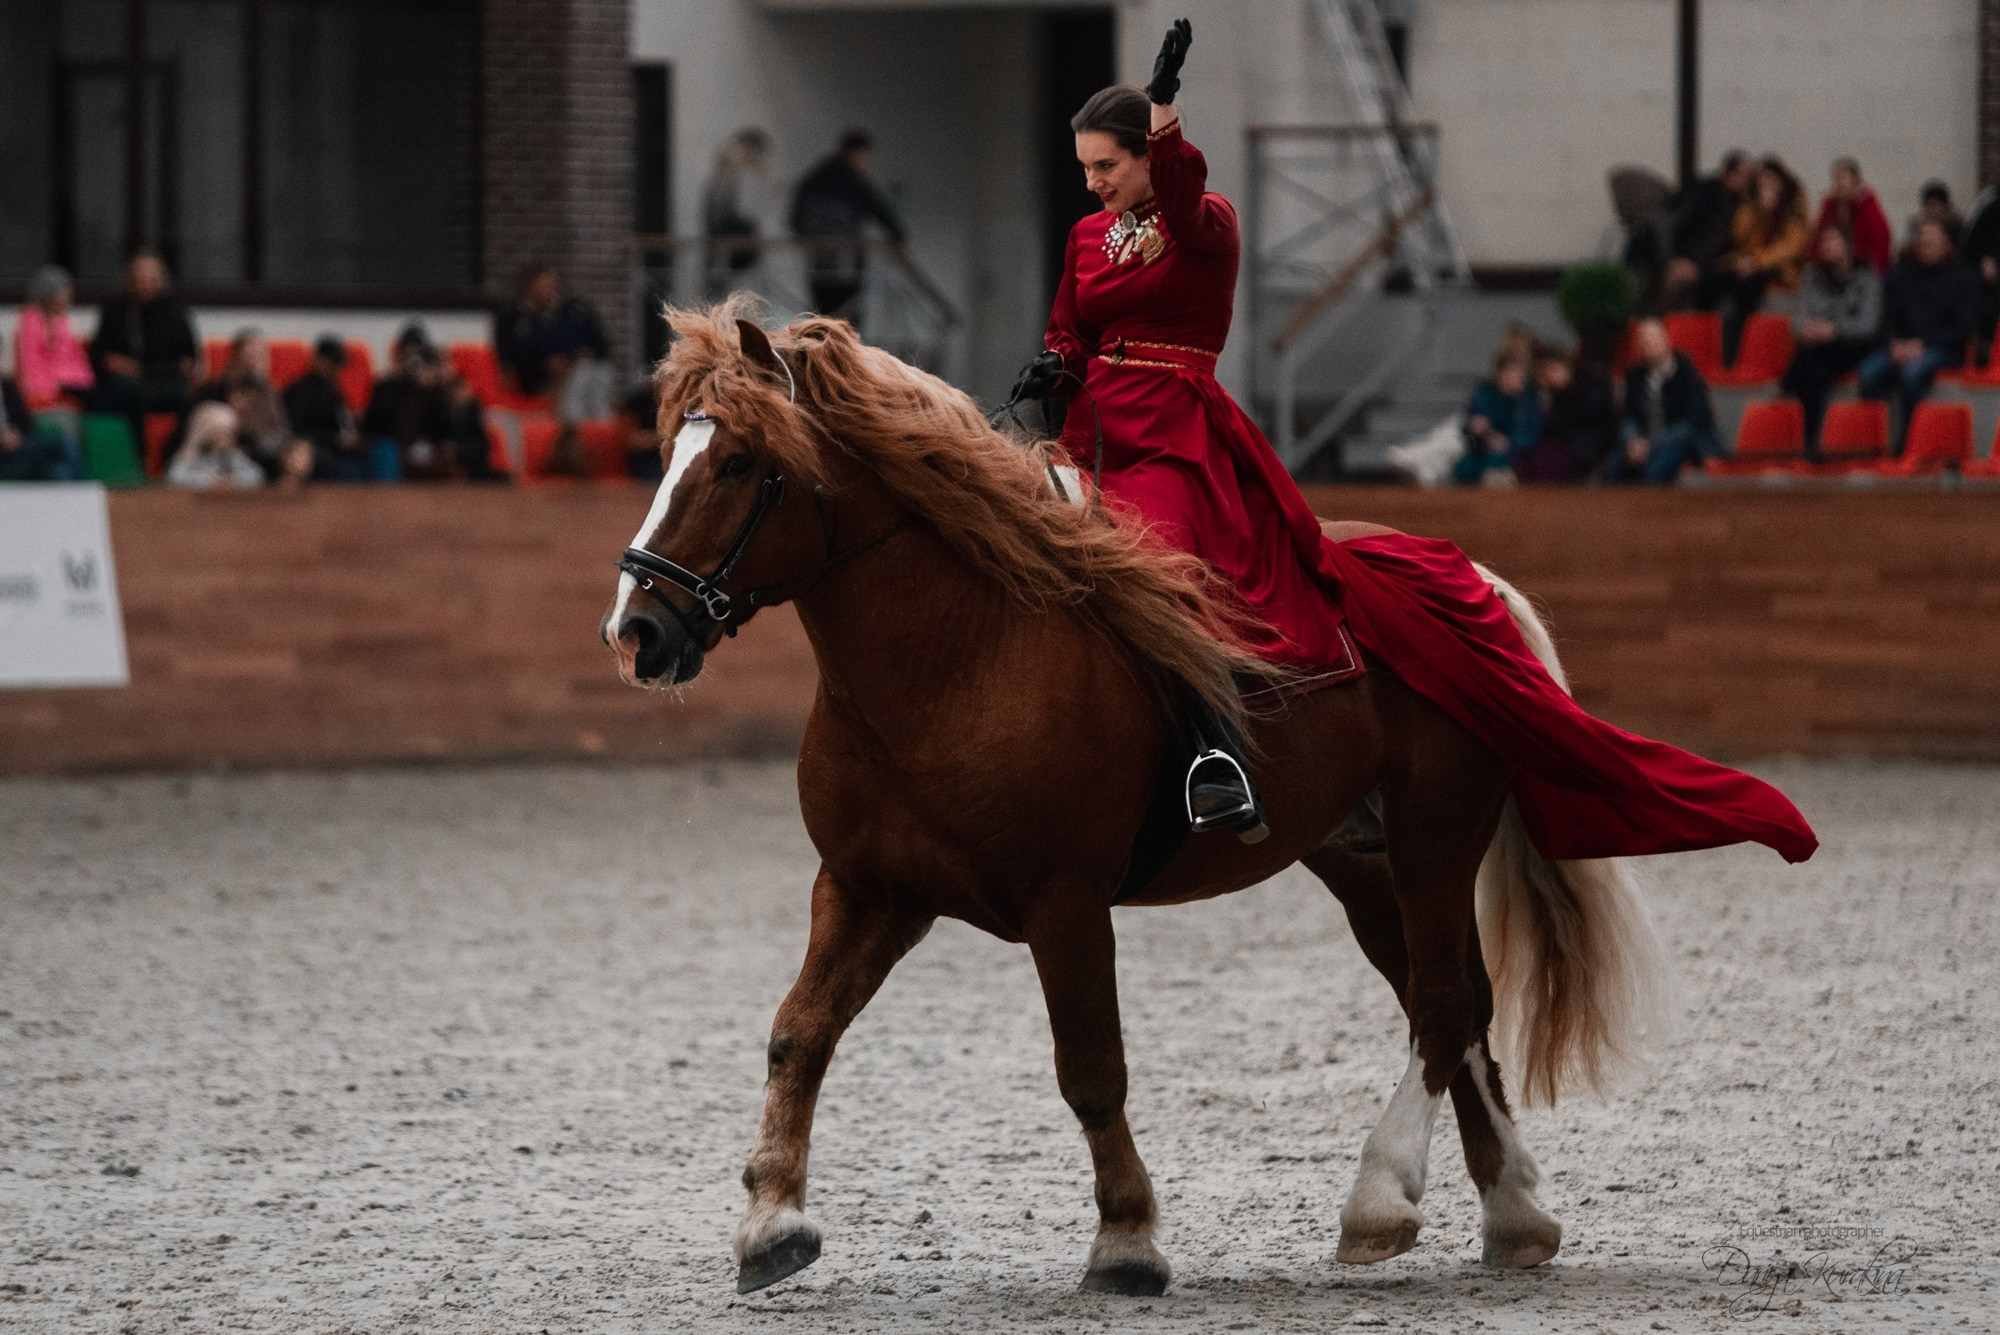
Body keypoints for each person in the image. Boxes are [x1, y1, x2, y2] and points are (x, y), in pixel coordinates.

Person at [1016, 21, 1813, 863]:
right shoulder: (1084, 240)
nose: (1095, 183)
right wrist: (1053, 369)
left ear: (1147, 154)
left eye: (1108, 165)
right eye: (1086, 170)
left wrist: (1168, 106)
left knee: (1167, 572)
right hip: (1094, 430)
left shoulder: (1203, 222)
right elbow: (1070, 328)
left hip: (1179, 439)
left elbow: (1180, 194)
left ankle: (1215, 752)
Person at [1859, 218, 1976, 441]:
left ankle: (1909, 440)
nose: (1926, 245)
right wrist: (1893, 343)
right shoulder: (1901, 275)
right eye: (1922, 241)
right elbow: (1887, 317)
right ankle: (1874, 441)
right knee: (1868, 373)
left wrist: (1921, 345)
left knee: (1912, 373)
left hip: (1945, 349)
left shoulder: (1964, 278)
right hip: (1903, 347)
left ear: (1946, 243)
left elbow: (1964, 328)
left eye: (1932, 240)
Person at [1778, 227, 1883, 456]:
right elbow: (1797, 318)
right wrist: (1808, 329)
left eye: (1833, 241)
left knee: (1808, 361)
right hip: (1817, 346)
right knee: (1813, 362)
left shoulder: (1867, 275)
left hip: (1852, 345)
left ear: (1848, 246)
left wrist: (1834, 329)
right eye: (1824, 242)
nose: (1827, 247)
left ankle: (1790, 392)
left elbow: (1868, 326)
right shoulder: (1811, 274)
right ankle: (1810, 442)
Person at [790, 127, 908, 319]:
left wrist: (802, 235)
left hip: (820, 257)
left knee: (823, 313)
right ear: (857, 153)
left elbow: (797, 215)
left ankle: (824, 344)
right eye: (865, 158)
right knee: (846, 316)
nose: (866, 164)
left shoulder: (816, 178)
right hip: (846, 260)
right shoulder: (854, 182)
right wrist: (899, 237)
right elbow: (879, 209)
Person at [87, 250, 199, 442]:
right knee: (129, 393)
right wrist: (120, 366)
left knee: (188, 398)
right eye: (140, 278)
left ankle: (174, 455)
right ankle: (139, 458)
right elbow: (102, 355)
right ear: (130, 280)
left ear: (161, 280)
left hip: (166, 380)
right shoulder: (115, 309)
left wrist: (144, 369)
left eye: (151, 278)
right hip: (128, 384)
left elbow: (188, 359)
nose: (146, 284)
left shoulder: (175, 310)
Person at [1708, 156, 1811, 361]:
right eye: (1762, 184)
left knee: (1747, 284)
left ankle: (1733, 354)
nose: (1766, 189)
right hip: (1750, 261)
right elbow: (1740, 236)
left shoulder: (1794, 206)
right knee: (1717, 276)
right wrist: (1760, 212)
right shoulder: (1751, 203)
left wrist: (1756, 261)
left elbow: (1791, 247)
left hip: (1781, 268)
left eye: (1771, 184)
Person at [495, 263, 614, 427]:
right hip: (538, 379)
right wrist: (547, 365)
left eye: (550, 285)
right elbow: (519, 354)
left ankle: (598, 430)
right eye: (543, 286)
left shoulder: (571, 312)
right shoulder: (516, 318)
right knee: (580, 380)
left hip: (576, 370)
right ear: (530, 287)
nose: (548, 291)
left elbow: (598, 344)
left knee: (591, 371)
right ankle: (576, 430)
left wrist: (572, 358)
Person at [193, 328, 310, 485]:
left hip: (264, 448)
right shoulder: (216, 388)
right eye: (251, 355)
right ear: (236, 357)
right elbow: (209, 431)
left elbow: (281, 431)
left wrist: (290, 449)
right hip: (227, 451)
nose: (257, 361)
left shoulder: (270, 391)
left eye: (261, 355)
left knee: (302, 454)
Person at [1609, 317, 1719, 483]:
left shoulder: (1686, 373)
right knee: (1613, 465)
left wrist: (1650, 444)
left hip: (1682, 442)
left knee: (1657, 465)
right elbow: (1628, 415)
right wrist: (1632, 440)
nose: (1649, 343)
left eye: (1653, 338)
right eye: (1644, 340)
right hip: (1643, 441)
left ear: (1666, 340)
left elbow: (1692, 421)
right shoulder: (1634, 376)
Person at [1663, 149, 1753, 310]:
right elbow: (1674, 223)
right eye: (1740, 175)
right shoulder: (1703, 192)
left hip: (1714, 269)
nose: (1744, 182)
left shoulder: (1742, 204)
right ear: (1727, 171)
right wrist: (1674, 258)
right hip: (1684, 259)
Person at [362, 325, 455, 481]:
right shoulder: (386, 385)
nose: (413, 363)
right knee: (385, 449)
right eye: (408, 354)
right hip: (393, 446)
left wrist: (436, 383)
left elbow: (444, 426)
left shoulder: (436, 388)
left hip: (429, 446)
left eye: (418, 356)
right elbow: (373, 424)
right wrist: (398, 381)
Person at [1516, 344, 1619, 482]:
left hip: (1590, 439)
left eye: (1552, 370)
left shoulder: (1590, 380)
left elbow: (1590, 417)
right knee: (1530, 458)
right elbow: (1551, 426)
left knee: (1550, 463)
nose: (1550, 377)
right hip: (1564, 442)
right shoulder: (1553, 392)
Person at [702, 127, 777, 298]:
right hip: (738, 248)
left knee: (723, 300)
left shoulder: (722, 171)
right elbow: (745, 211)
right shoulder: (744, 172)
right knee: (741, 299)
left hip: (721, 247)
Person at [284, 336, 365, 480]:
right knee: (327, 461)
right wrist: (335, 439)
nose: (335, 370)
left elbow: (342, 421)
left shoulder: (334, 390)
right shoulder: (300, 390)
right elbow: (299, 429)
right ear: (319, 360)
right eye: (332, 364)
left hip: (338, 447)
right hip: (313, 446)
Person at [1453, 347, 1538, 485]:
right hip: (1481, 450)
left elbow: (1532, 435)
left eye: (1517, 376)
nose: (1513, 381)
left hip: (1514, 455)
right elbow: (1473, 422)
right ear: (1499, 374)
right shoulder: (1484, 392)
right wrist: (1477, 429)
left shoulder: (1527, 400)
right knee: (1464, 468)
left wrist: (1509, 443)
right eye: (1509, 376)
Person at [13, 265, 95, 407]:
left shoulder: (61, 322)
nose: (68, 298)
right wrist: (51, 390)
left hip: (70, 383)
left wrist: (82, 380)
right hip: (46, 389)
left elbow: (76, 359)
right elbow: (30, 366)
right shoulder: (30, 322)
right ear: (48, 295)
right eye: (63, 292)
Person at [1809, 158, 1893, 272]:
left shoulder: (1868, 206)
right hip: (1829, 271)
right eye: (1837, 179)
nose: (1840, 184)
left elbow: (1881, 242)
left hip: (1862, 270)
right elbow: (1817, 241)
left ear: (1856, 183)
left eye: (1844, 179)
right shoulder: (1830, 206)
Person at [2, 364, 83, 481]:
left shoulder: (6, 387)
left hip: (21, 448)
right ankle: (83, 489)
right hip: (5, 461)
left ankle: (82, 492)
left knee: (60, 470)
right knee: (61, 444)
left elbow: (25, 421)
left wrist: (16, 434)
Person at [165, 401, 263, 489]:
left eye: (229, 434)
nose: (226, 438)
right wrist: (208, 482)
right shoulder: (192, 456)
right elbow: (175, 477)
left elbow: (256, 475)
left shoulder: (232, 456)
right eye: (220, 434)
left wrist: (233, 481)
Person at [1909, 180, 1964, 251]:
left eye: (1934, 205)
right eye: (1928, 205)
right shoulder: (1918, 226)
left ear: (1945, 206)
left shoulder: (1956, 226)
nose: (1931, 210)